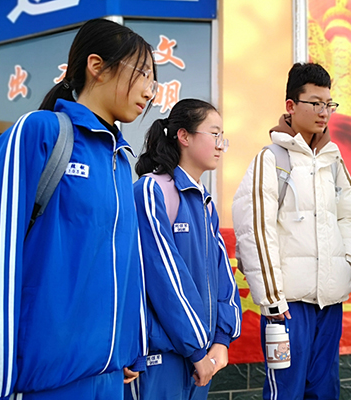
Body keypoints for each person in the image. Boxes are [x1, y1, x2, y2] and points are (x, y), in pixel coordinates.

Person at [0, 18, 155, 399]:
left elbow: (127, 261)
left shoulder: (120, 161)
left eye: (153, 81)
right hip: (42, 383)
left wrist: (130, 346)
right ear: (97, 66)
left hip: (109, 377)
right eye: (142, 73)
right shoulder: (40, 133)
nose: (149, 91)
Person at [232, 62, 351, 400]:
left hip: (329, 303)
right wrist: (272, 299)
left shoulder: (333, 161)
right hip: (288, 306)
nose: (324, 112)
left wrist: (346, 265)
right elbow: (255, 231)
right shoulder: (271, 159)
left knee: (324, 391)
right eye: (315, 103)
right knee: (286, 392)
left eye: (329, 104)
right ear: (291, 106)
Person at [128, 99, 242, 400]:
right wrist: (196, 350)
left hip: (201, 357)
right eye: (214, 134)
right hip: (163, 357)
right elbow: (164, 278)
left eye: (222, 136)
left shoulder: (205, 202)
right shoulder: (152, 191)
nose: (220, 145)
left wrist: (221, 339)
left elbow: (223, 275)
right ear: (184, 136)